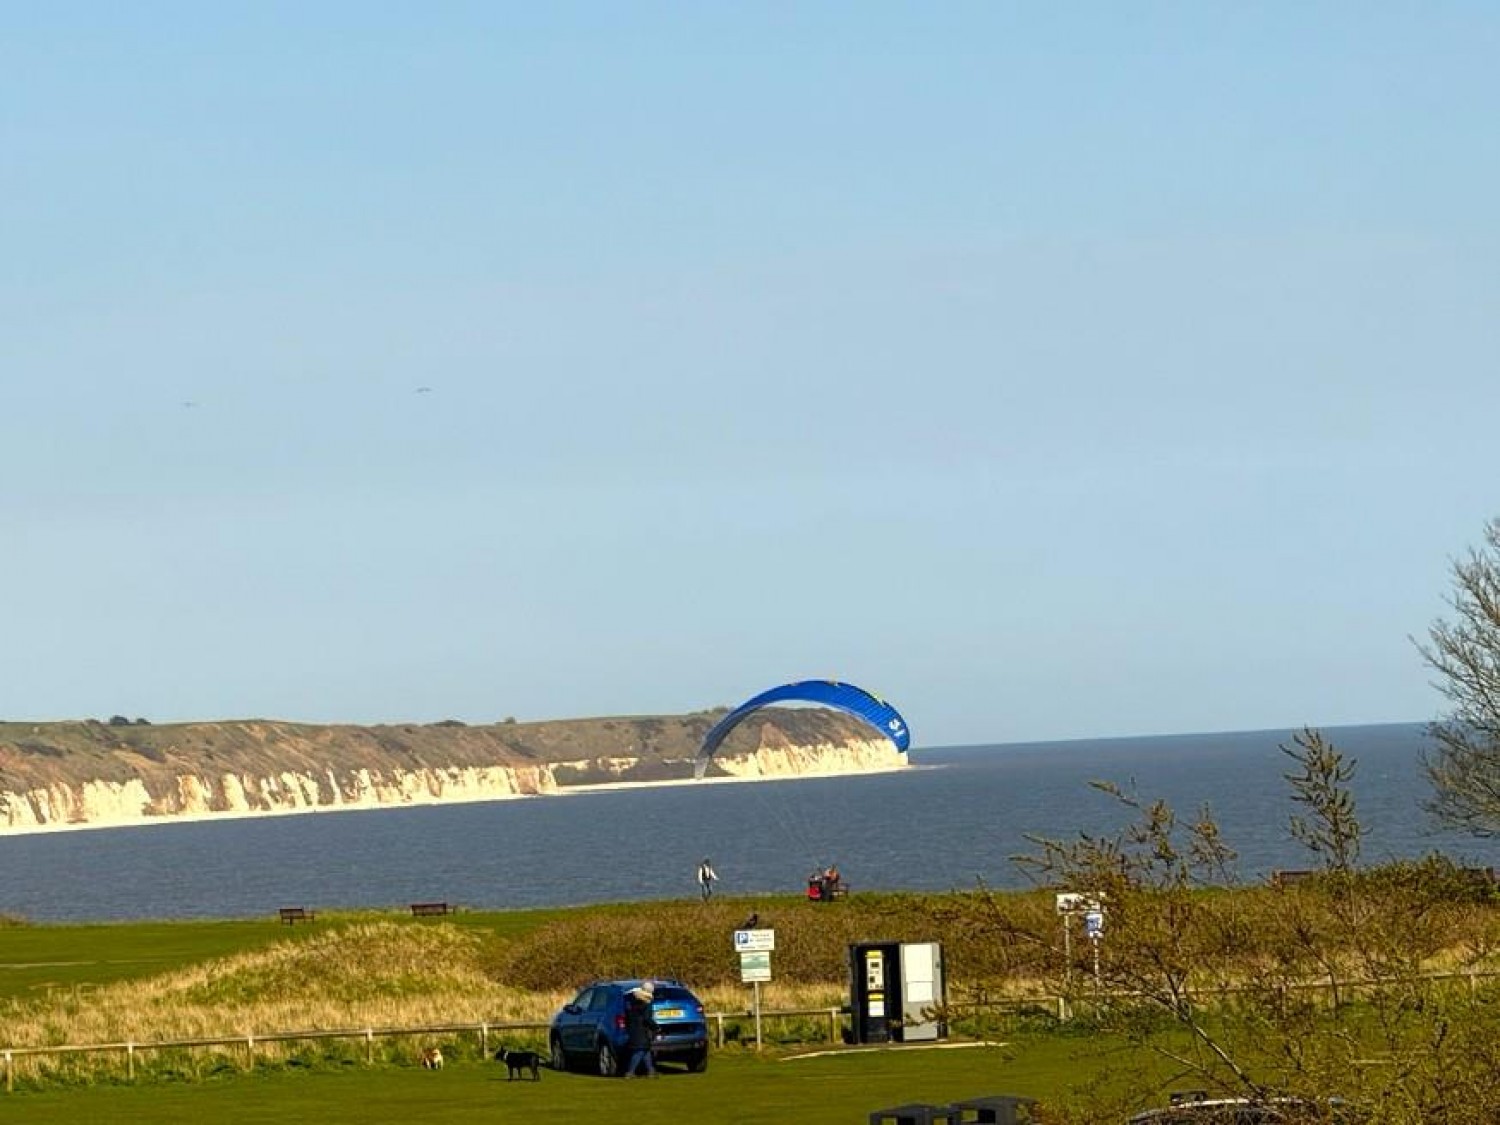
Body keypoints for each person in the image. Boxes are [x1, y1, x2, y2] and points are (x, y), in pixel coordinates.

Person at [623, 982, 659, 1077]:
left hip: (633, 1028)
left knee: (645, 1050)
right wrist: (656, 1027)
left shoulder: (632, 1001)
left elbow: (628, 1016)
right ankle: (630, 1072)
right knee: (639, 1051)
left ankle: (651, 1070)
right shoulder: (646, 1004)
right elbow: (647, 1018)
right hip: (642, 1029)